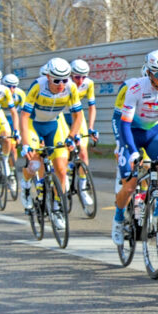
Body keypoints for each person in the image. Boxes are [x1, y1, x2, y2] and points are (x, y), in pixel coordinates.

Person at [111, 50, 158, 246]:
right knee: (130, 185)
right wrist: (129, 149)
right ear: (149, 73)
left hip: (153, 133)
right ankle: (118, 218)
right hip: (130, 134)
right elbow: (122, 122)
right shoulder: (132, 88)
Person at [19, 58, 83, 231]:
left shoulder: (71, 87)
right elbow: (24, 117)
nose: (61, 84)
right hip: (35, 126)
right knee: (34, 162)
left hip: (54, 126)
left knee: (61, 170)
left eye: (65, 79)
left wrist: (71, 136)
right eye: (56, 80)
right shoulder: (38, 86)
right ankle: (25, 185)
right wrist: (26, 143)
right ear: (48, 76)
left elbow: (78, 116)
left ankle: (56, 209)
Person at [66, 59, 98, 206]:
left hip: (78, 117)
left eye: (83, 77)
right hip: (63, 116)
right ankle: (65, 172)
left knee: (83, 152)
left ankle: (83, 187)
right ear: (71, 75)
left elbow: (92, 107)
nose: (80, 80)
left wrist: (91, 127)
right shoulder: (65, 83)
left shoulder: (88, 84)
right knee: (65, 149)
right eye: (77, 77)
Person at [0, 68, 19, 179]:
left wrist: (16, 131)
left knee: (7, 138)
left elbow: (14, 112)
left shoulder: (5, 90)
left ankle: (5, 161)